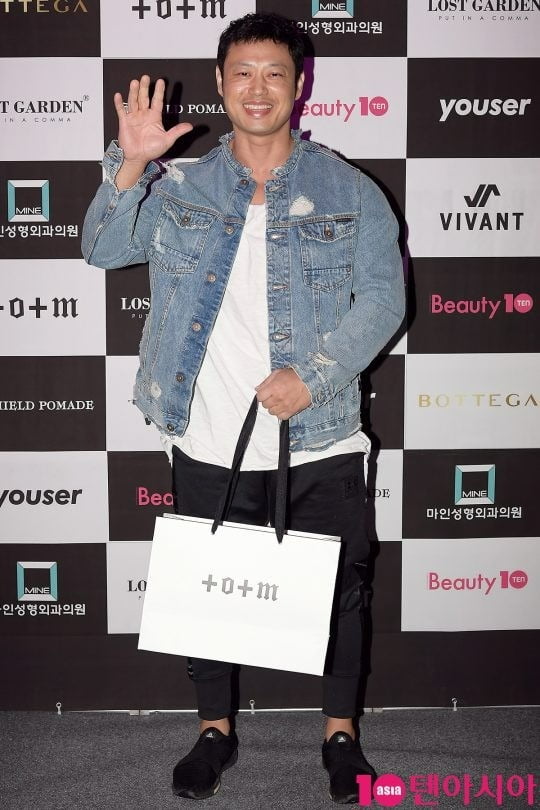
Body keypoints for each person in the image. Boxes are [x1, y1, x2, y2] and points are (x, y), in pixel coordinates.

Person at [82, 12, 405, 804]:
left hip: (320, 435)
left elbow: (385, 300)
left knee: (342, 594)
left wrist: (315, 375)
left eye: (274, 73)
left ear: (299, 85)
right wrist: (131, 164)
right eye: (242, 73)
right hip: (207, 432)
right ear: (222, 84)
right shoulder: (179, 184)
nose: (258, 88)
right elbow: (100, 248)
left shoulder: (350, 190)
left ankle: (340, 737)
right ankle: (214, 732)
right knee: (206, 591)